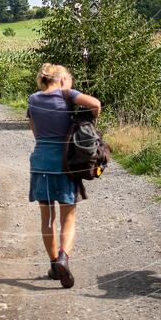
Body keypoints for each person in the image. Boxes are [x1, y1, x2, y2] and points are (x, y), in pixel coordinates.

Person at [27, 62, 101, 288]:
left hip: (40, 164)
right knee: (68, 218)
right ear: (61, 80)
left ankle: (53, 265)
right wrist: (87, 118)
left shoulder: (32, 99)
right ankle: (63, 258)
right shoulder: (66, 94)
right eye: (69, 80)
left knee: (47, 219)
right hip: (64, 165)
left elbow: (34, 131)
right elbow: (96, 104)